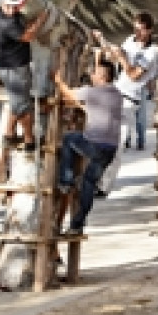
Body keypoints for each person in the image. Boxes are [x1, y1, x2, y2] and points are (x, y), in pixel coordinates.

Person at [53, 59, 122, 235]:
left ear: (101, 77)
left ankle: (65, 181)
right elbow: (93, 109)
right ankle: (77, 224)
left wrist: (58, 80)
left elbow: (67, 94)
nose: (91, 75)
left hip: (94, 144)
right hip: (110, 148)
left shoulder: (91, 92)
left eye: (95, 73)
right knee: (89, 183)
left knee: (69, 139)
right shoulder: (117, 94)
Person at [94, 12, 158, 195]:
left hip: (129, 100)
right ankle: (95, 178)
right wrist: (103, 42)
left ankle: (103, 185)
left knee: (117, 145)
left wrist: (122, 57)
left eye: (141, 29)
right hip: (114, 93)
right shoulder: (130, 40)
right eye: (136, 28)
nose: (137, 33)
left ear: (149, 30)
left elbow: (134, 74)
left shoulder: (151, 51)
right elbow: (114, 57)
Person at [0, 0, 49, 152]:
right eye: (8, 6)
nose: (12, 9)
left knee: (19, 102)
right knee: (23, 105)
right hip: (14, 67)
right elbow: (28, 36)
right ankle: (28, 138)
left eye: (14, 5)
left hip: (9, 65)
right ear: (2, 3)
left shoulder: (1, 13)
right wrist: (41, 20)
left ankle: (10, 132)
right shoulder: (6, 23)